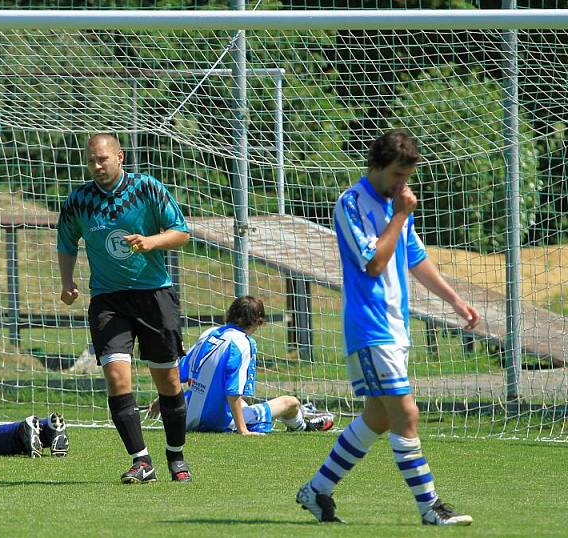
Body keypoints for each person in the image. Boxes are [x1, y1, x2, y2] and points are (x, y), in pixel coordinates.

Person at [295, 130, 480, 526]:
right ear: (376, 166)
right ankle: (429, 507)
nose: (403, 184)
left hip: (395, 328)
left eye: (407, 176)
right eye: (397, 174)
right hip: (369, 327)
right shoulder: (352, 203)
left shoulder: (396, 205)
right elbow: (373, 263)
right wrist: (400, 215)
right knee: (406, 414)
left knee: (378, 419)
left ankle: (316, 490)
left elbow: (415, 258)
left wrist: (454, 300)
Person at [57, 132, 192, 483]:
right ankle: (141, 461)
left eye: (103, 159)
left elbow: (181, 232)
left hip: (154, 296)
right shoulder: (79, 200)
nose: (97, 166)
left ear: (120, 156)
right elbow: (67, 241)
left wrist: (150, 242)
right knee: (117, 379)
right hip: (108, 300)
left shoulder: (147, 188)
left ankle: (176, 456)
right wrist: (67, 282)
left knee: (168, 379)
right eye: (92, 160)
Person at [147, 296, 335, 435]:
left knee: (239, 402)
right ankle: (304, 426)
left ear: (230, 313)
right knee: (290, 402)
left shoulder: (210, 333)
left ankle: (303, 417)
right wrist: (242, 430)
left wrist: (160, 401)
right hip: (215, 420)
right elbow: (233, 390)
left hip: (185, 417)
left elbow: (179, 373)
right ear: (259, 322)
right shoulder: (243, 343)